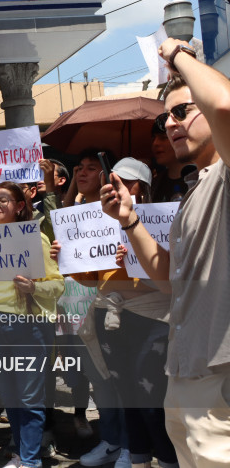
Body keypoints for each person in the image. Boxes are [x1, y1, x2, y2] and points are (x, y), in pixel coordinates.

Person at [101, 37, 230, 467]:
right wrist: (130, 221)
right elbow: (169, 280)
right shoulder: (196, 190)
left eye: (182, 111)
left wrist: (178, 56)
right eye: (164, 118)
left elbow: (225, 105)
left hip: (220, 380)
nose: (170, 125)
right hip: (185, 374)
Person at [55, 158, 175, 468]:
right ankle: (135, 455)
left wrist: (132, 252)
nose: (117, 186)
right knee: (126, 394)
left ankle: (168, 457)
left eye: (127, 182)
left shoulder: (159, 220)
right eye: (114, 179)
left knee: (152, 399)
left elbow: (168, 278)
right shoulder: (100, 222)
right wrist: (66, 259)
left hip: (151, 318)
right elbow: (89, 279)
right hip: (108, 314)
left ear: (141, 187)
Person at [0, 182, 64, 468]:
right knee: (9, 394)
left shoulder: (36, 239)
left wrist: (34, 287)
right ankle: (21, 451)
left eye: (4, 200)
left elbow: (57, 285)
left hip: (29, 326)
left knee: (30, 396)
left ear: (20, 206)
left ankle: (30, 460)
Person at [150, 122, 189, 202]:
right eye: (153, 138)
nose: (155, 143)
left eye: (164, 138)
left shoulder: (201, 181)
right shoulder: (154, 184)